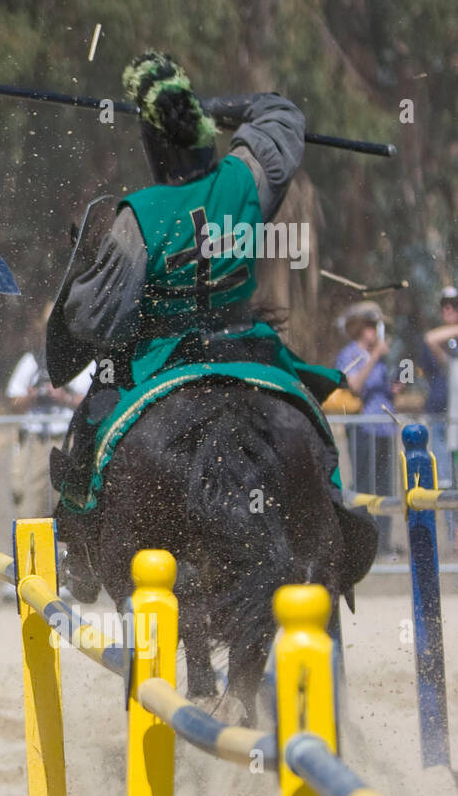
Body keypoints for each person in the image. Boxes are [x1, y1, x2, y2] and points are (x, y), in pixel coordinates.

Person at [48, 51, 368, 600]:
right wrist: (216, 107)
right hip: (250, 349)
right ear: (203, 135)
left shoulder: (137, 216)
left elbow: (94, 318)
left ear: (153, 148)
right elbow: (280, 115)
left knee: (91, 424)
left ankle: (77, 542)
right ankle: (333, 511)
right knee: (310, 420)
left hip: (161, 360)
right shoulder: (246, 180)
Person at [7, 325, 95, 522]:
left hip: (72, 441)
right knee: (31, 504)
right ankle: (32, 549)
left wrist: (64, 397)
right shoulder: (33, 361)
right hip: (37, 441)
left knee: (72, 501)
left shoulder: (83, 361)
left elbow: (92, 403)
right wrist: (32, 397)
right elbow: (14, 401)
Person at [336, 301, 401, 553]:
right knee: (364, 485)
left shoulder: (383, 359)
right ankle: (363, 544)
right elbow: (353, 386)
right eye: (371, 325)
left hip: (384, 429)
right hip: (362, 431)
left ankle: (383, 543)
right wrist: (374, 357)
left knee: (385, 487)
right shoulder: (350, 354)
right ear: (360, 328)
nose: (375, 330)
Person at [422, 287, 458, 483]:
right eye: (445, 305)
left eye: (454, 305)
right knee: (443, 479)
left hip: (456, 417)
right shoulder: (431, 339)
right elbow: (429, 341)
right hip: (438, 413)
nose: (449, 309)